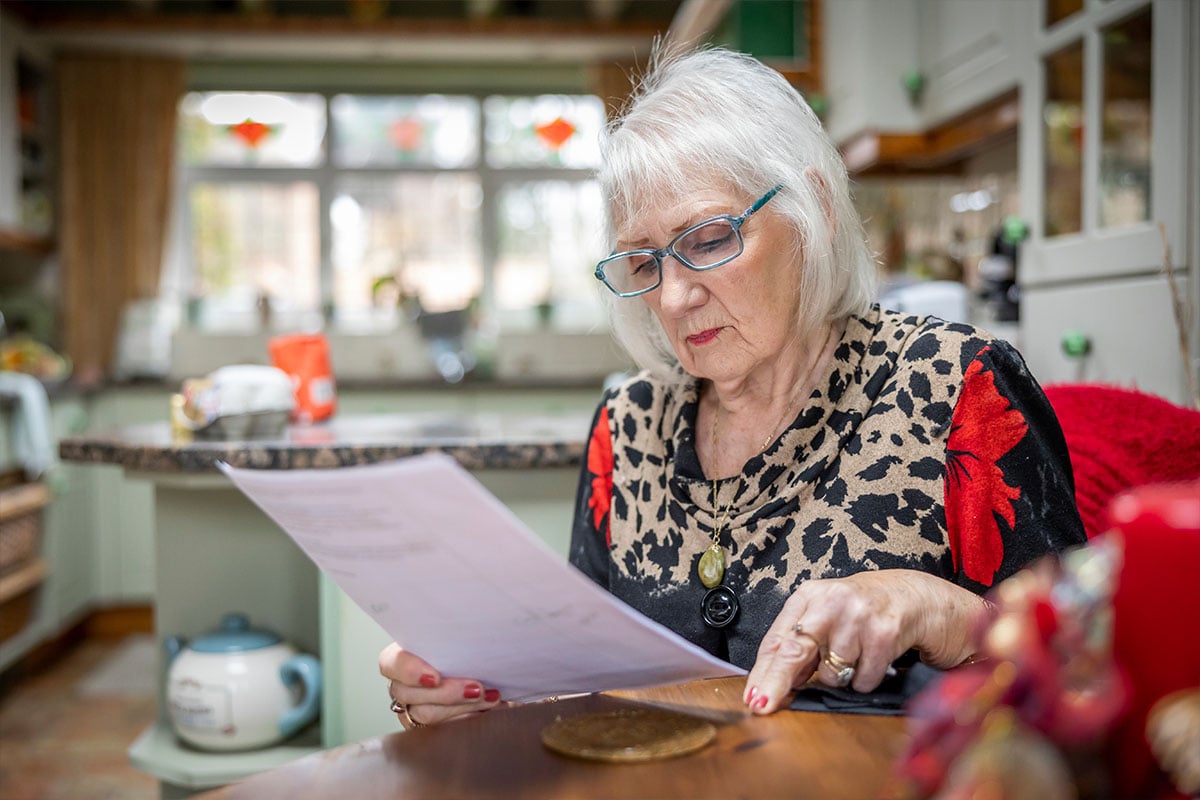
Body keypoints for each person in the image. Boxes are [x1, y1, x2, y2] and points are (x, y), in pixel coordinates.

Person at [380, 46, 1085, 728]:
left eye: (710, 238)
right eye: (643, 260)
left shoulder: (953, 385)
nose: (675, 297)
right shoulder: (628, 427)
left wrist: (938, 607)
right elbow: (581, 681)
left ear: (815, 210)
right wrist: (488, 691)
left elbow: (1085, 671)